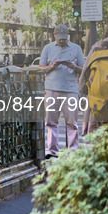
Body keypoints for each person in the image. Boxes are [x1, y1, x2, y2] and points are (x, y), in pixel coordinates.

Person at [39, 24, 85, 159]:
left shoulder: (76, 48)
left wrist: (74, 66)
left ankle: (73, 151)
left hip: (70, 89)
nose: (62, 41)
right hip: (51, 89)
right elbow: (41, 68)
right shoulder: (47, 48)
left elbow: (83, 69)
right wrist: (53, 65)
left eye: (64, 39)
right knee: (51, 122)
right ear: (54, 36)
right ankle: (52, 151)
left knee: (72, 122)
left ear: (68, 37)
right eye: (60, 39)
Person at [79, 15, 108, 136]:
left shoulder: (97, 48)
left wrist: (83, 90)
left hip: (99, 106)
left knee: (100, 138)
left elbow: (85, 74)